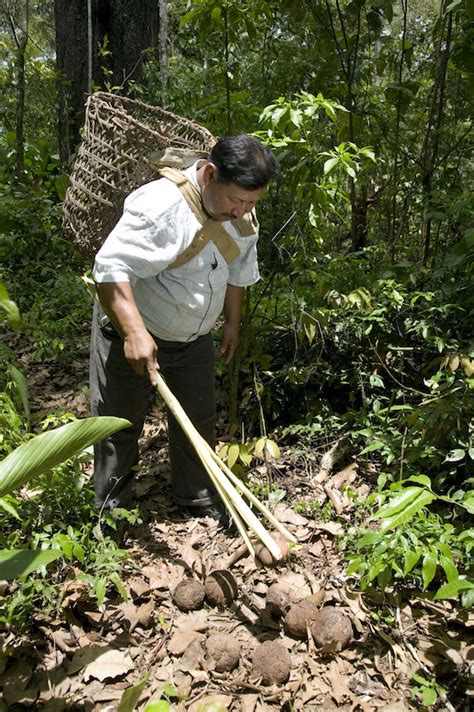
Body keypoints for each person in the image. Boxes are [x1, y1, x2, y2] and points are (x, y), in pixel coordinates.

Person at [90, 133, 276, 528]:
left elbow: (239, 272)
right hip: (135, 330)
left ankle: (196, 496)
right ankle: (111, 514)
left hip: (194, 340)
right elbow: (109, 267)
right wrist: (135, 334)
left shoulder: (242, 216)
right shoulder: (159, 206)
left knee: (197, 419)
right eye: (235, 201)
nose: (242, 212)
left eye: (251, 203)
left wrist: (231, 323)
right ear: (209, 174)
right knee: (118, 424)